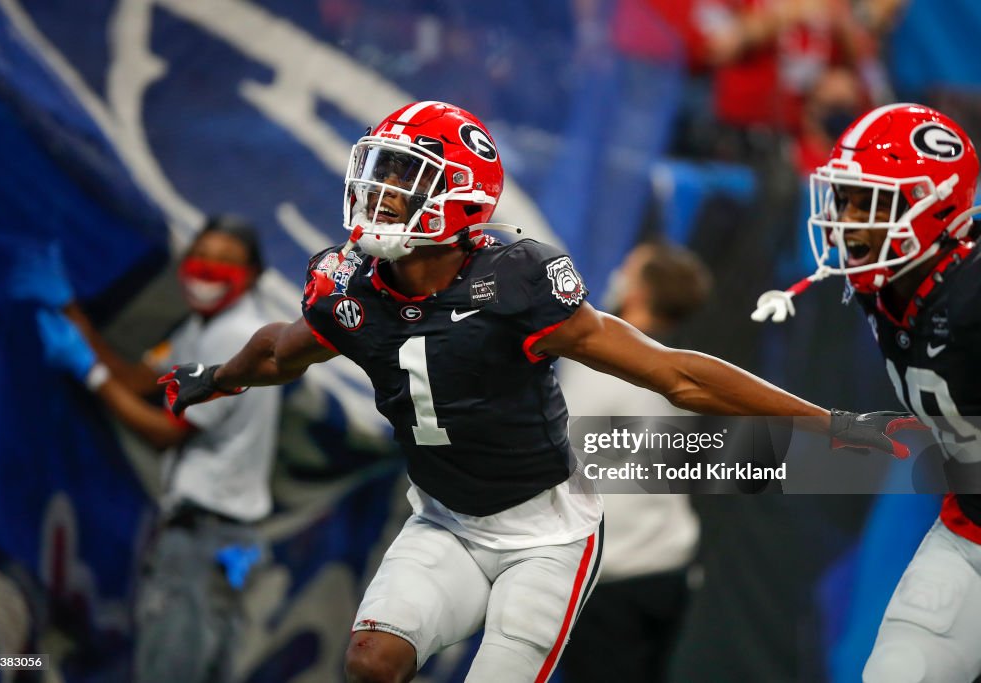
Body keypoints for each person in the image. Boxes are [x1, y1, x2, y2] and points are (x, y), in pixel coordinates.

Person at [159, 101, 915, 683]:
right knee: (371, 662)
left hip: (545, 536)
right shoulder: (348, 285)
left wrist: (828, 421)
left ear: (457, 199)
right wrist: (212, 379)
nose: (381, 194)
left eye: (404, 180)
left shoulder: (516, 283)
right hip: (442, 521)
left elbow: (676, 371)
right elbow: (281, 351)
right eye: (380, 172)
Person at [753, 102, 981, 682]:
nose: (850, 221)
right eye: (847, 199)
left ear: (937, 208)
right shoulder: (889, 282)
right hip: (971, 529)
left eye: (873, 203)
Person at [35, 215, 281, 683]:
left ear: (252, 274)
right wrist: (71, 314)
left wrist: (88, 373)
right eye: (202, 256)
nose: (209, 270)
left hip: (206, 537)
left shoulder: (233, 335)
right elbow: (136, 378)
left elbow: (165, 432)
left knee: (172, 671)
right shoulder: (204, 326)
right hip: (220, 537)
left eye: (226, 262)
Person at [558, 242, 710, 682]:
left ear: (639, 291)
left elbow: (553, 455)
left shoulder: (596, 368)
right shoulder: (687, 371)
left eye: (628, 268)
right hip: (669, 566)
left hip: (612, 576)